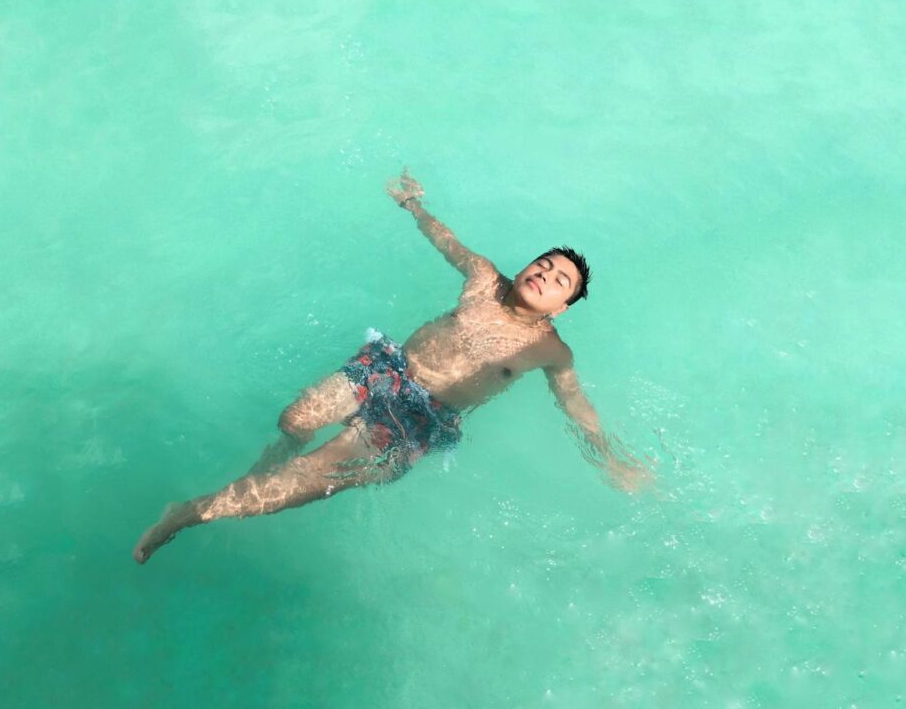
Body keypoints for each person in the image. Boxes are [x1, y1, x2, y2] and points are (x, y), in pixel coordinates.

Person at [133, 168, 651, 564]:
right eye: (544, 263)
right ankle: (252, 480)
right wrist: (413, 205)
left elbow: (575, 402)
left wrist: (609, 457)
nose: (546, 273)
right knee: (294, 421)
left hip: (414, 421)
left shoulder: (549, 350)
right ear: (525, 267)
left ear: (560, 308)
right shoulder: (482, 281)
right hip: (387, 369)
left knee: (310, 476)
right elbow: (445, 239)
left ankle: (189, 514)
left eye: (561, 280)